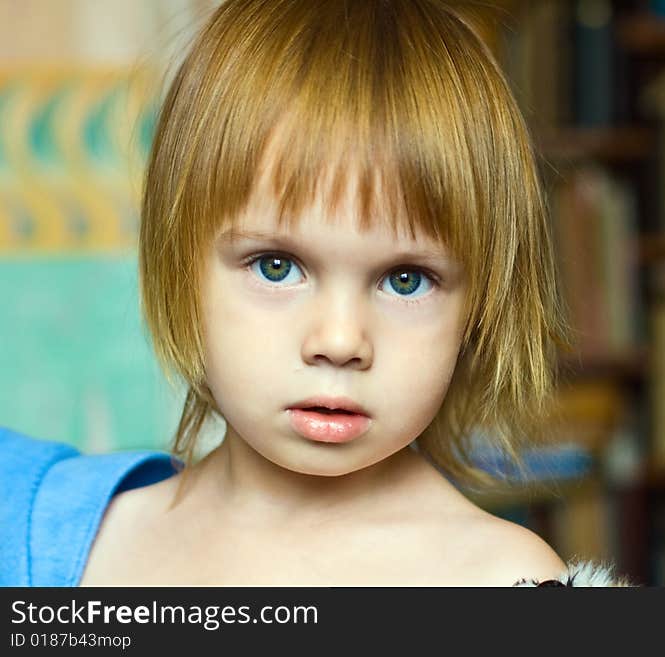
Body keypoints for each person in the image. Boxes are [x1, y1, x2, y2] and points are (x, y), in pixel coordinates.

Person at [0, 0, 624, 586]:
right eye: (275, 267)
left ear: (479, 309)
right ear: (180, 270)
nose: (339, 340)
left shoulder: (495, 578)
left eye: (405, 280)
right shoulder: (62, 543)